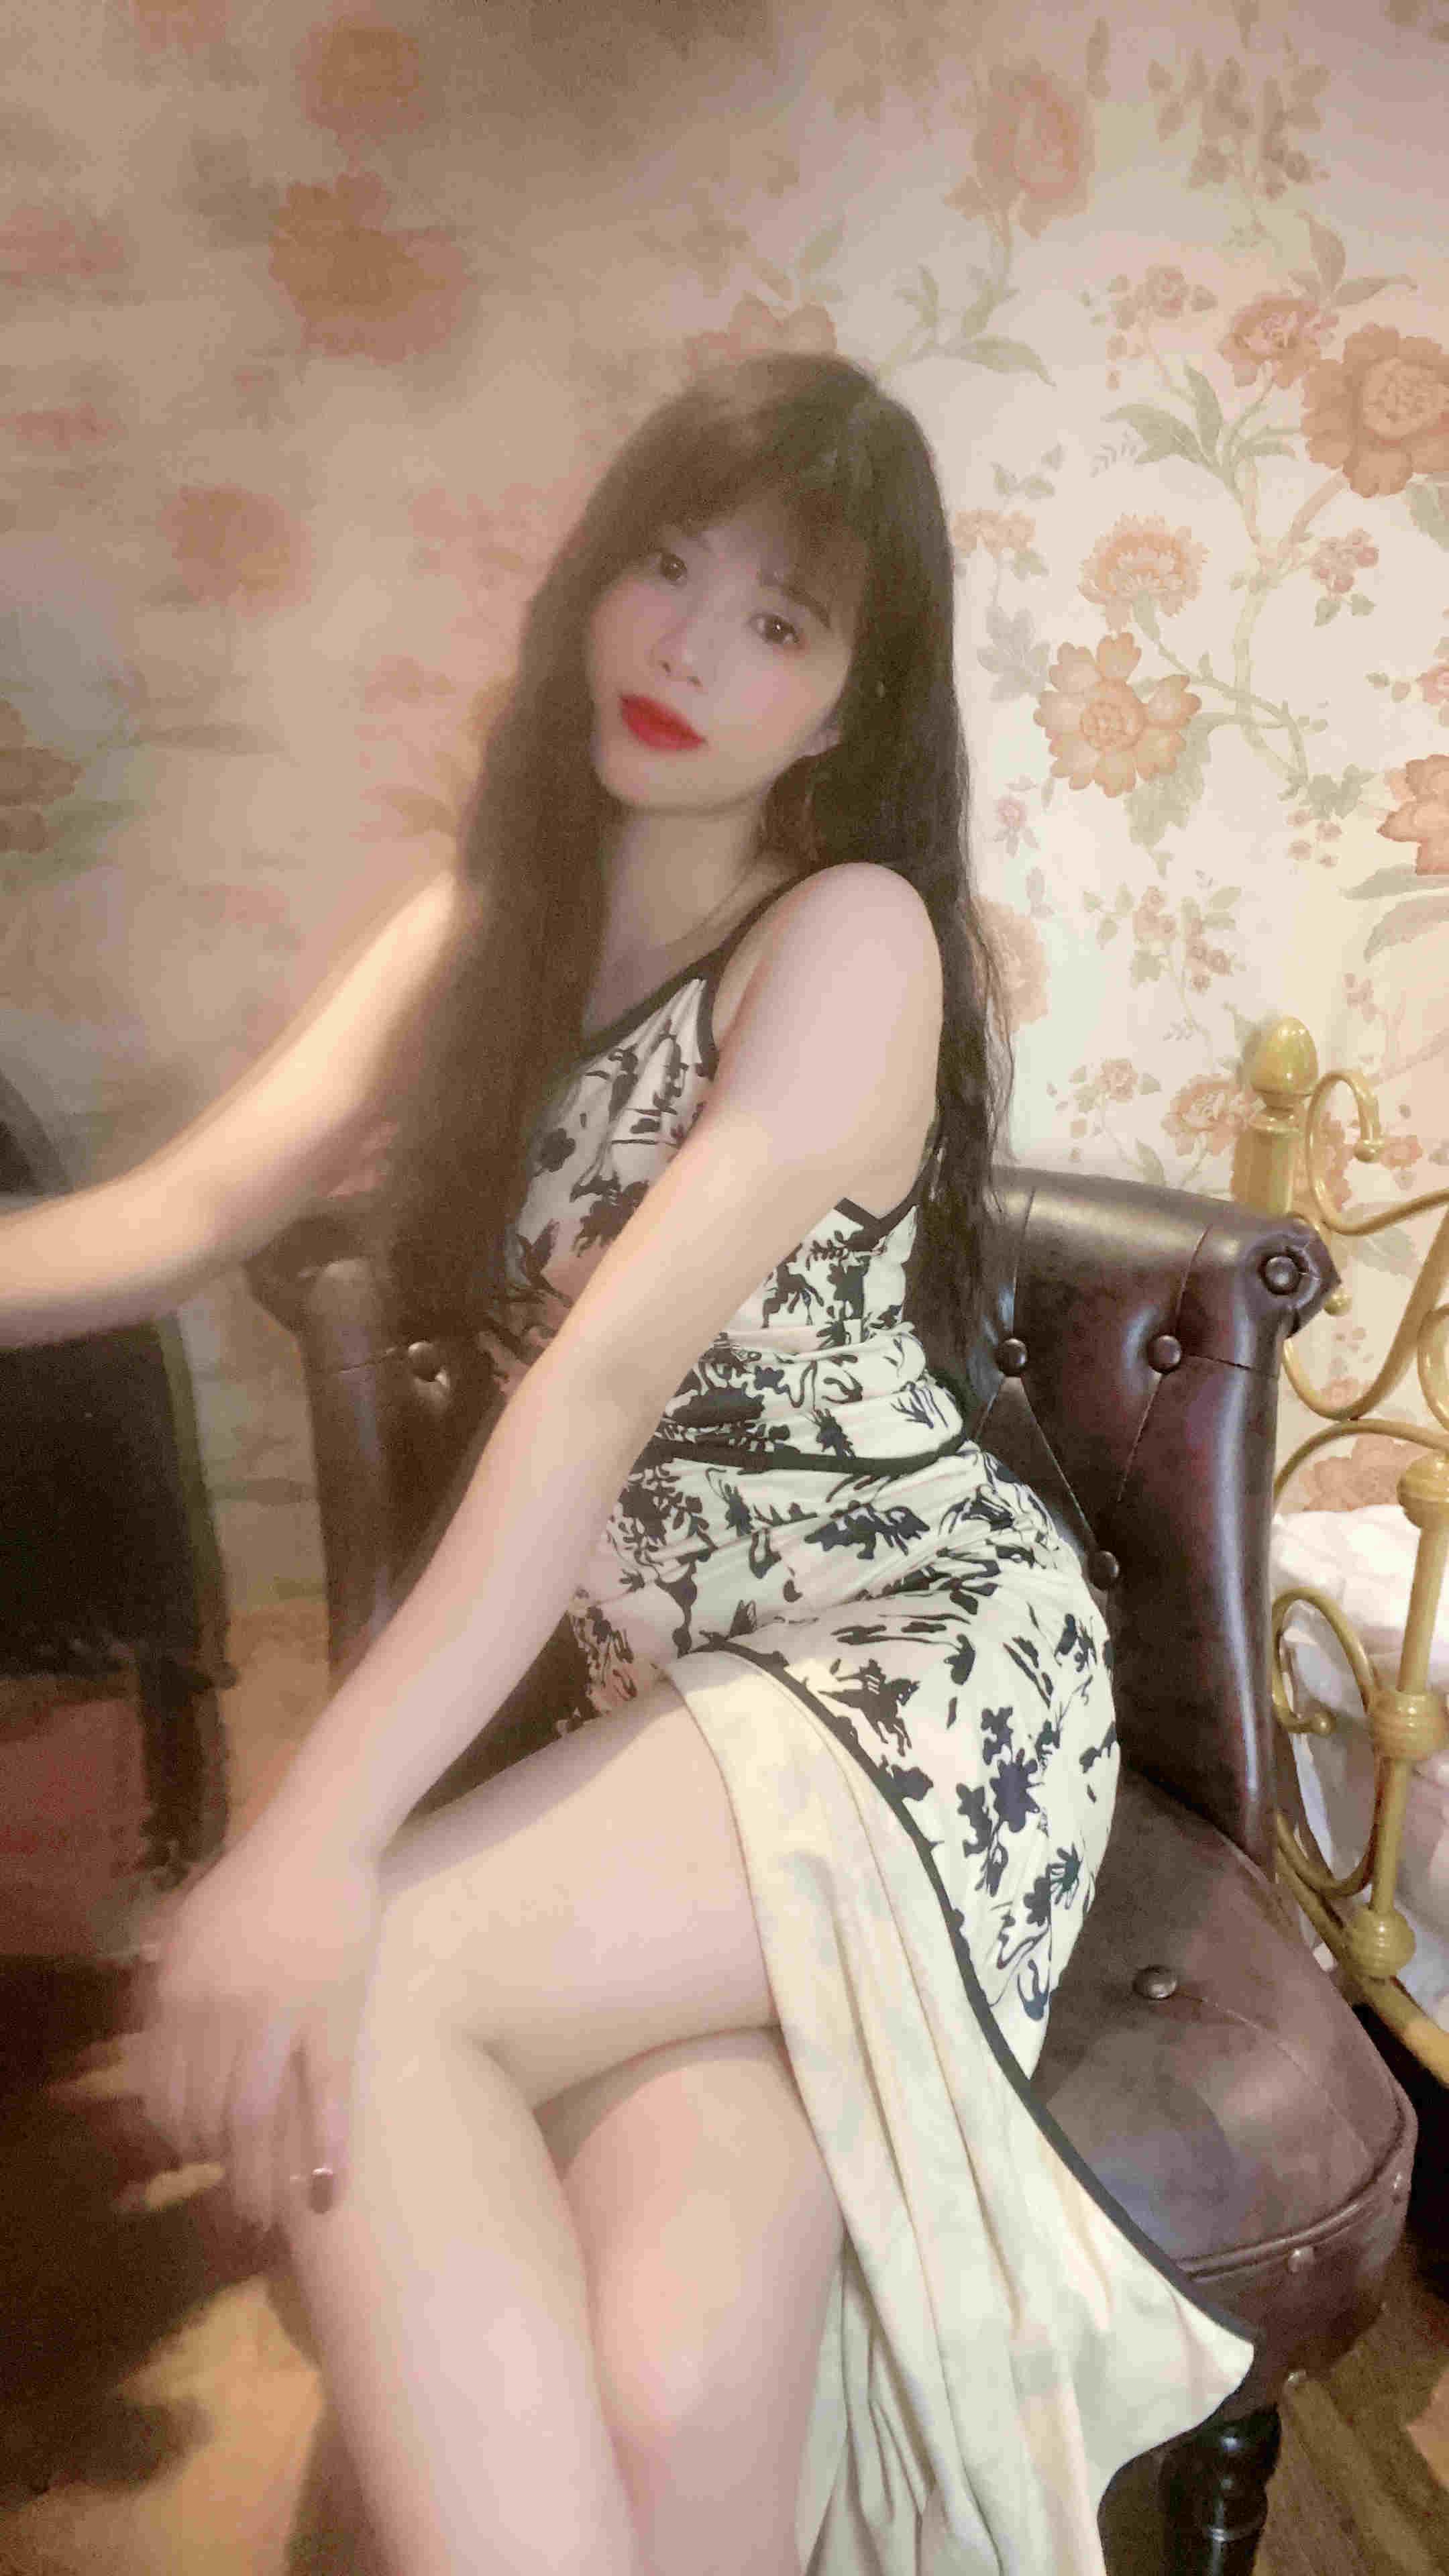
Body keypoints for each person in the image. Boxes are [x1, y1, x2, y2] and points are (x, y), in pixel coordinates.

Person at [2, 354, 1256, 2575]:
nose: (690, 645)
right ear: (592, 575)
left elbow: (590, 1403)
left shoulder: (847, 939)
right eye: (666, 567)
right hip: (676, 1709)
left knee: (348, 1980)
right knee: (679, 2373)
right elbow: (178, 1213)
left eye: (780, 619)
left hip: (912, 1671)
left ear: (852, 696)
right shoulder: (481, 931)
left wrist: (303, 1844)